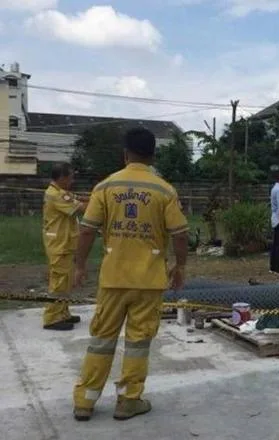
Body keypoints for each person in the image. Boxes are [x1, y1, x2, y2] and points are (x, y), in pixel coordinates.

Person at [72, 127, 189, 422]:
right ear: (152, 156)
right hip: (149, 282)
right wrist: (181, 266)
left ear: (125, 154)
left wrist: (79, 265)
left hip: (113, 279)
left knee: (101, 339)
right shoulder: (163, 189)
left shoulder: (105, 187)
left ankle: (85, 402)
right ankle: (128, 400)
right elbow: (180, 233)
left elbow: (86, 230)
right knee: (138, 343)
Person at [41, 163, 88, 331]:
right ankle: (52, 318)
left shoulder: (59, 193)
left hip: (64, 243)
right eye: (70, 177)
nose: (72, 180)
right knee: (59, 282)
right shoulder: (57, 195)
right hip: (59, 244)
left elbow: (78, 200)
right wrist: (99, 199)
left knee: (66, 281)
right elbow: (82, 208)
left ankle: (63, 312)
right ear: (62, 178)